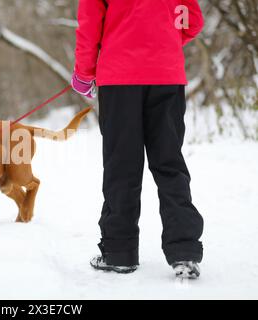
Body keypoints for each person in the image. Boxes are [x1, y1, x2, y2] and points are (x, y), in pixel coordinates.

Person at [72, 0, 204, 279]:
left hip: (119, 78)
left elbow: (90, 23)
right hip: (166, 73)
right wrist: (162, 39)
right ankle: (184, 250)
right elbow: (192, 20)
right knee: (169, 162)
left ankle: (119, 252)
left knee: (122, 165)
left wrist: (84, 72)